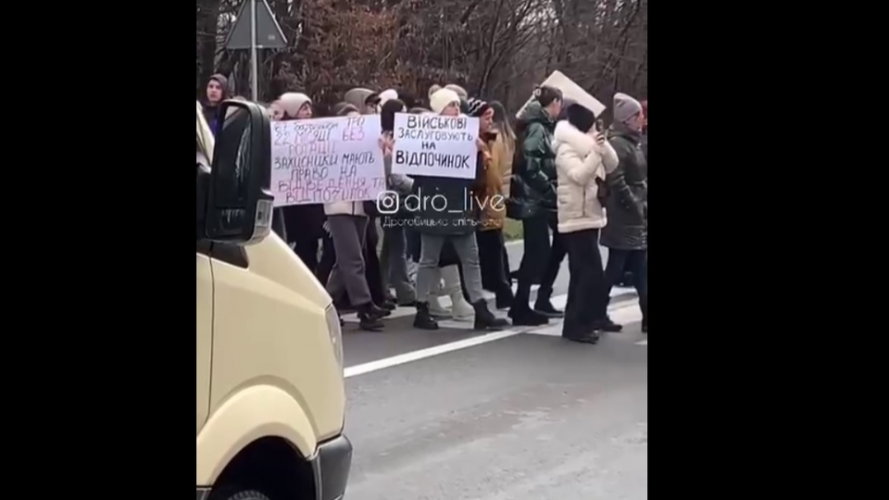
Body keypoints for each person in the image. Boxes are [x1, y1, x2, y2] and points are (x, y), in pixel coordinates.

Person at [412, 88, 507, 331]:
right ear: (439, 110)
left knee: (471, 258)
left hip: (460, 205)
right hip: (434, 204)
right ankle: (421, 307)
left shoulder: (467, 136)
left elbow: (475, 180)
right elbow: (413, 172)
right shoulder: (423, 137)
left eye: (457, 105)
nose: (456, 109)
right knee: (429, 259)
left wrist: (478, 155)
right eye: (451, 105)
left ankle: (480, 307)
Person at [552, 101, 620, 343]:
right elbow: (580, 176)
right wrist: (596, 153)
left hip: (590, 214)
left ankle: (582, 320)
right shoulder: (565, 148)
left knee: (582, 272)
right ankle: (577, 323)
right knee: (589, 272)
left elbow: (612, 164)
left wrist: (601, 144)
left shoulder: (590, 144)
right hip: (574, 216)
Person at [324, 102, 391, 330]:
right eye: (350, 120)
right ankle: (364, 306)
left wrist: (382, 153)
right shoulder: (330, 146)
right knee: (353, 258)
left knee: (345, 262)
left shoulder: (369, 145)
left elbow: (380, 173)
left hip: (361, 206)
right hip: (338, 206)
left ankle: (323, 304)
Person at [509, 85, 563, 326]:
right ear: (554, 104)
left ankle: (521, 304)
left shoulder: (535, 124)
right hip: (535, 199)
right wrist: (550, 189)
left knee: (536, 253)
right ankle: (520, 307)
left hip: (535, 198)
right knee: (537, 253)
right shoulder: (538, 128)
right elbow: (531, 166)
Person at [602, 93, 649, 333]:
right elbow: (616, 178)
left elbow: (638, 178)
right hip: (623, 215)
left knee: (640, 267)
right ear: (627, 119)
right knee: (616, 267)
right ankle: (597, 311)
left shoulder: (632, 141)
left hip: (635, 214)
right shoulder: (619, 144)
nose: (642, 119)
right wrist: (633, 203)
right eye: (638, 116)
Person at [276, 92, 327, 277]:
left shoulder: (317, 133)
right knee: (299, 244)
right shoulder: (280, 133)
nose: (308, 112)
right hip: (292, 202)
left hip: (312, 200)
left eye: (309, 108)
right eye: (303, 108)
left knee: (311, 243)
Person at [474, 100, 514, 310]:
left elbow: (493, 177)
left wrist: (485, 156)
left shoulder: (492, 141)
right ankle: (501, 291)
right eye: (485, 117)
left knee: (492, 251)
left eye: (491, 117)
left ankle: (502, 292)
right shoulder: (491, 139)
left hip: (490, 201)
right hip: (488, 201)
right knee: (492, 250)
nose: (490, 121)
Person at [379, 99, 417, 307]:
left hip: (393, 199)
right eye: (403, 112)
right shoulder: (389, 139)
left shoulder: (395, 136)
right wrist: (418, 186)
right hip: (391, 200)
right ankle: (404, 290)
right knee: (397, 245)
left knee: (389, 247)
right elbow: (395, 176)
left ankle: (382, 286)